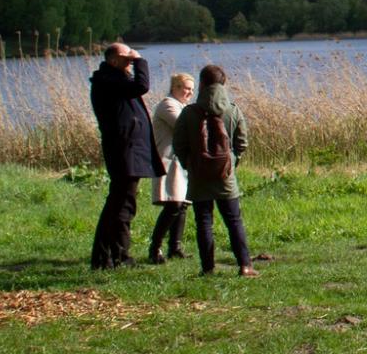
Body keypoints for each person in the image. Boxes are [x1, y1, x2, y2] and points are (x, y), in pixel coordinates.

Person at [173, 64, 258, 277]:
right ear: (224, 83)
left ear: (201, 84)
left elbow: (179, 144)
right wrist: (231, 161)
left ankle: (208, 268)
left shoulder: (189, 112)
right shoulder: (233, 110)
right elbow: (242, 143)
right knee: (234, 220)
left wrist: (190, 165)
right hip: (225, 175)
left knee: (204, 221)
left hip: (199, 175)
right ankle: (245, 265)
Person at [88, 42, 159, 270]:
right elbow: (142, 86)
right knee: (120, 205)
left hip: (127, 150)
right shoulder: (108, 80)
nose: (130, 60)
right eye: (126, 57)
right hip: (123, 150)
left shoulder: (114, 79)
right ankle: (108, 257)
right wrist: (141, 61)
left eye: (131, 57)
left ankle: (114, 256)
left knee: (122, 204)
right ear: (113, 60)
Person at [145, 72, 195, 263]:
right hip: (168, 162)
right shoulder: (168, 105)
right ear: (175, 88)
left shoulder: (182, 106)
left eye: (192, 89)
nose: (189, 92)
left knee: (182, 205)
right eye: (186, 88)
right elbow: (183, 126)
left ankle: (175, 247)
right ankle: (154, 248)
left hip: (179, 163)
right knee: (173, 205)